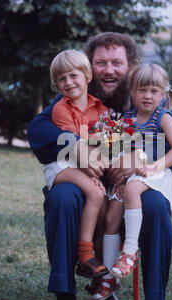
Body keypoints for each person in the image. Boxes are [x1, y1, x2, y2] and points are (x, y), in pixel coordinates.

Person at [27, 32, 172, 300]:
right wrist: (75, 145)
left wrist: (140, 155)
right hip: (89, 183)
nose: (109, 70)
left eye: (116, 63)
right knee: (62, 196)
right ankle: (65, 297)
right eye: (101, 63)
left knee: (155, 203)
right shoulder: (78, 94)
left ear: (130, 67)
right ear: (88, 69)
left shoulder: (145, 98)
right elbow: (38, 129)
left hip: (129, 186)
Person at [92, 63, 172, 300]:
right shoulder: (127, 117)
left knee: (133, 188)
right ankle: (111, 276)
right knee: (111, 216)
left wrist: (155, 166)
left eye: (154, 91)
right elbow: (116, 150)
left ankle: (130, 251)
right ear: (132, 92)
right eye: (142, 90)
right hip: (131, 174)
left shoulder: (163, 117)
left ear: (163, 95)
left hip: (154, 172)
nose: (148, 96)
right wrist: (117, 172)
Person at [45, 49, 109, 280]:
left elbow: (105, 144)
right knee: (95, 192)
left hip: (87, 167)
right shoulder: (61, 109)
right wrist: (92, 178)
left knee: (104, 207)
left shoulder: (101, 109)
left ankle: (104, 274)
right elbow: (73, 149)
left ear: (88, 76)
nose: (68, 82)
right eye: (62, 79)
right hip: (62, 166)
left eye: (74, 76)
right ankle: (84, 256)